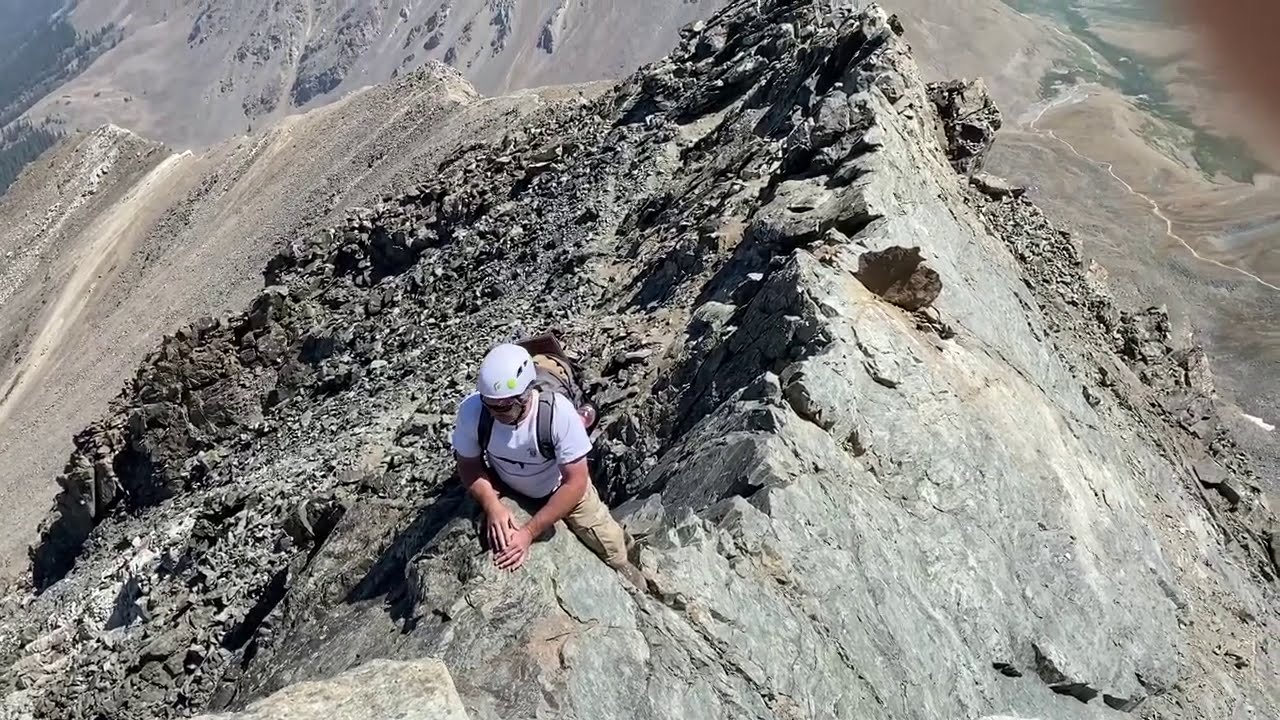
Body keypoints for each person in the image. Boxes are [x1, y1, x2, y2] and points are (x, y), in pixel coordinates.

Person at [450, 342, 638, 579]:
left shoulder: (558, 415)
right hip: (509, 483)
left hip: (560, 488)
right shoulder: (474, 411)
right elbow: (468, 464)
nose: (494, 414)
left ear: (525, 395)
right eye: (489, 405)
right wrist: (492, 505)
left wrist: (528, 533)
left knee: (612, 548)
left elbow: (575, 483)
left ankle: (631, 565)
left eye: (504, 408)